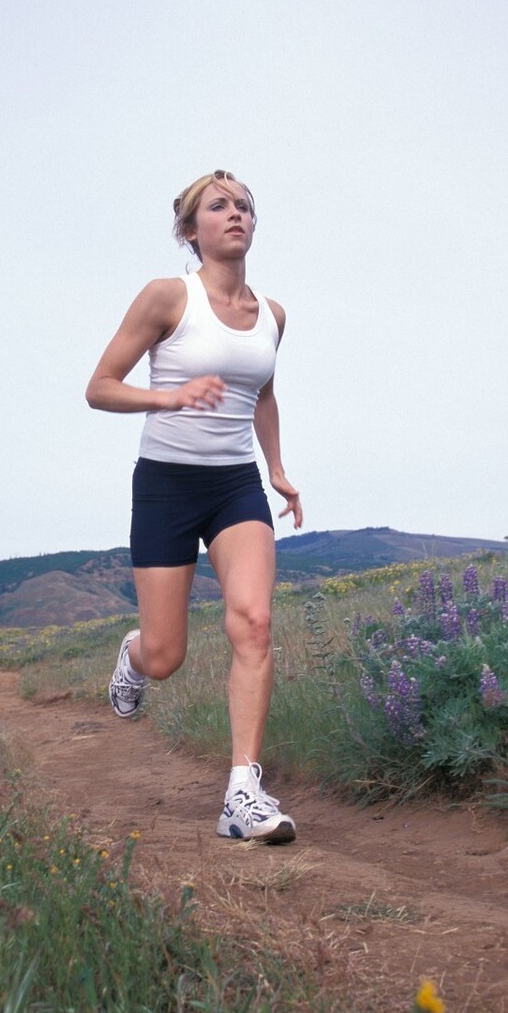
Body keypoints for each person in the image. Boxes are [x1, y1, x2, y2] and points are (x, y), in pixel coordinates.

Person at [85, 169, 302, 843]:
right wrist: (168, 398)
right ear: (191, 230)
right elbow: (99, 387)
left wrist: (278, 468)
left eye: (243, 205)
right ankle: (134, 652)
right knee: (166, 653)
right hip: (166, 485)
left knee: (254, 623)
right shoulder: (166, 298)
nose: (235, 213)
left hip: (235, 484)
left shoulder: (273, 315)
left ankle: (243, 791)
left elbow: (261, 393)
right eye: (218, 206)